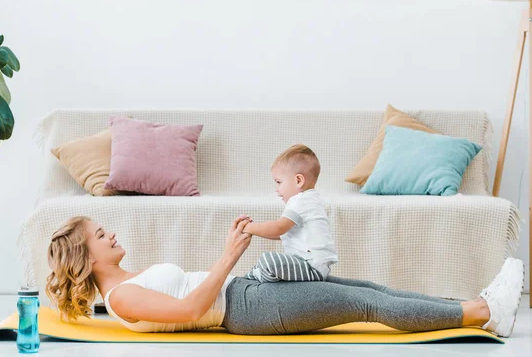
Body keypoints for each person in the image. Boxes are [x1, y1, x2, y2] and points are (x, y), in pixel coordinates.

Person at [46, 215, 524, 337]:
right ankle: (482, 313)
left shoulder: (125, 284)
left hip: (248, 292)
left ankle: (473, 304)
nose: (110, 235)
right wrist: (229, 254)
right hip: (247, 309)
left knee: (366, 289)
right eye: (100, 235)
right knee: (366, 307)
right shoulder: (124, 299)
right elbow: (192, 310)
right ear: (85, 260)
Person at [242, 144, 338, 282]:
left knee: (268, 260)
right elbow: (284, 235)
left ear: (298, 180)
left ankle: (255, 276)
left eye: (279, 182)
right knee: (271, 262)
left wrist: (249, 228)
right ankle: (256, 274)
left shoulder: (300, 201)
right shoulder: (311, 200)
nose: (277, 189)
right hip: (315, 266)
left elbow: (278, 228)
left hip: (310, 266)